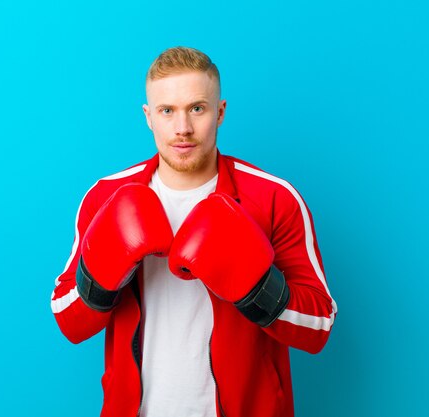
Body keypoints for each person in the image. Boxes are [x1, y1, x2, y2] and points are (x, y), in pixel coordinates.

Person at [50, 46, 337, 417]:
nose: (182, 128)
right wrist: (100, 278)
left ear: (220, 113)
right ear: (148, 116)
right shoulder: (106, 196)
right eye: (167, 111)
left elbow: (319, 326)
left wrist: (257, 288)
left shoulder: (273, 197)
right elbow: (68, 319)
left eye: (197, 109)